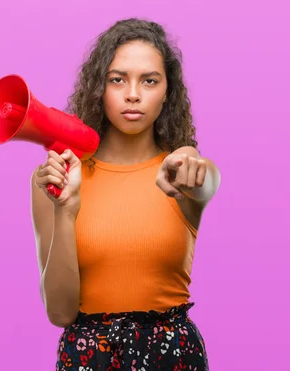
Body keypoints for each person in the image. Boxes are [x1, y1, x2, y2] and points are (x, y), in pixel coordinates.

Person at [31, 18, 221, 371]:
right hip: (88, 357)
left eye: (149, 80)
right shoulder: (58, 178)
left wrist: (194, 161)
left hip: (172, 357)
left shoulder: (182, 172)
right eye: (117, 79)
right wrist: (65, 210)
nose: (133, 94)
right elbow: (60, 312)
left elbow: (208, 181)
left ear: (168, 91)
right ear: (98, 88)